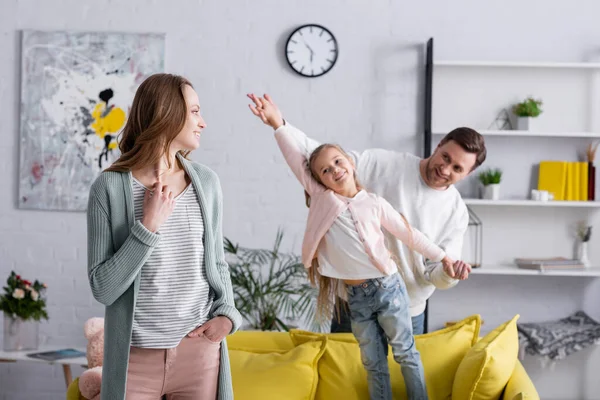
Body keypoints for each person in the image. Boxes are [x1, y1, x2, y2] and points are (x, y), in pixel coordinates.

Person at [247, 94, 470, 400]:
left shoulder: (380, 204)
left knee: (406, 355)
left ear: (466, 174)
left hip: (395, 293)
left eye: (457, 168)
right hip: (353, 298)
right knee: (370, 364)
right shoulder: (327, 196)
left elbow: (411, 236)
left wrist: (446, 261)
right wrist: (278, 123)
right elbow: (307, 156)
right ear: (439, 144)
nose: (446, 168)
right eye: (446, 157)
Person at [86, 73, 241, 400]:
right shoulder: (110, 188)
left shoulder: (206, 183)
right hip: (134, 359)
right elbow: (103, 287)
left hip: (198, 353)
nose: (203, 122)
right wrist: (147, 227)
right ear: (167, 113)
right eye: (195, 111)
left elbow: (216, 262)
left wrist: (228, 314)